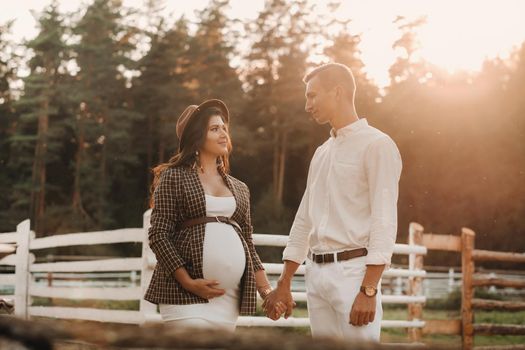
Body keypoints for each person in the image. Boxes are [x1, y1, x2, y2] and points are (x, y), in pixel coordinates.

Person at [263, 63, 402, 341]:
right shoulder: (321, 153)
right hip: (315, 275)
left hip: (354, 275)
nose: (307, 105)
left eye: (312, 96)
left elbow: (384, 221)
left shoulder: (377, 145)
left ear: (337, 92)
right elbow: (304, 219)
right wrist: (285, 280)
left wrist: (369, 290)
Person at [145, 99, 285, 331]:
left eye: (224, 128)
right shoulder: (174, 177)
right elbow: (159, 235)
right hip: (183, 295)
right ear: (197, 138)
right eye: (214, 129)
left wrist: (267, 292)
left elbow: (248, 244)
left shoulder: (240, 188)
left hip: (227, 299)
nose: (223, 134)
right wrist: (188, 281)